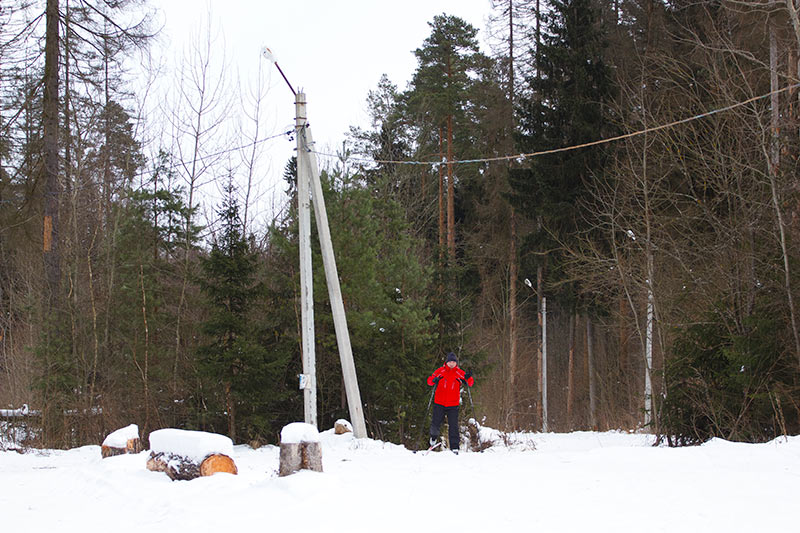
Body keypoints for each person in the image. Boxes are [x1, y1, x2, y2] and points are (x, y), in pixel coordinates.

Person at [427, 352, 474, 453]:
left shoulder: (459, 372)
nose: (452, 364)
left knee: (453, 426)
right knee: (436, 423)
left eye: (453, 362)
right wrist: (434, 380)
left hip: (453, 404)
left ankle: (454, 447)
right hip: (439, 402)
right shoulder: (441, 371)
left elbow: (470, 382)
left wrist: (468, 377)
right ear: (446, 362)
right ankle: (433, 439)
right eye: (450, 362)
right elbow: (429, 381)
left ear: (456, 363)